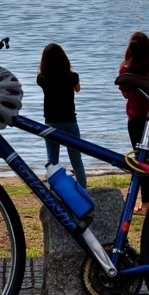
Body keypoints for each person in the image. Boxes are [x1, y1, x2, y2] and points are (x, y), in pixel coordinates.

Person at [118, 32, 149, 215]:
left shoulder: (126, 70)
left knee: (142, 159)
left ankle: (146, 202)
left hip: (137, 119)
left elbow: (125, 94)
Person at [37, 43, 87, 188]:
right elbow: (78, 89)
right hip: (69, 121)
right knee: (76, 160)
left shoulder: (42, 78)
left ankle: (54, 192)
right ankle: (83, 189)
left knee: (53, 161)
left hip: (51, 122)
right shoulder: (72, 77)